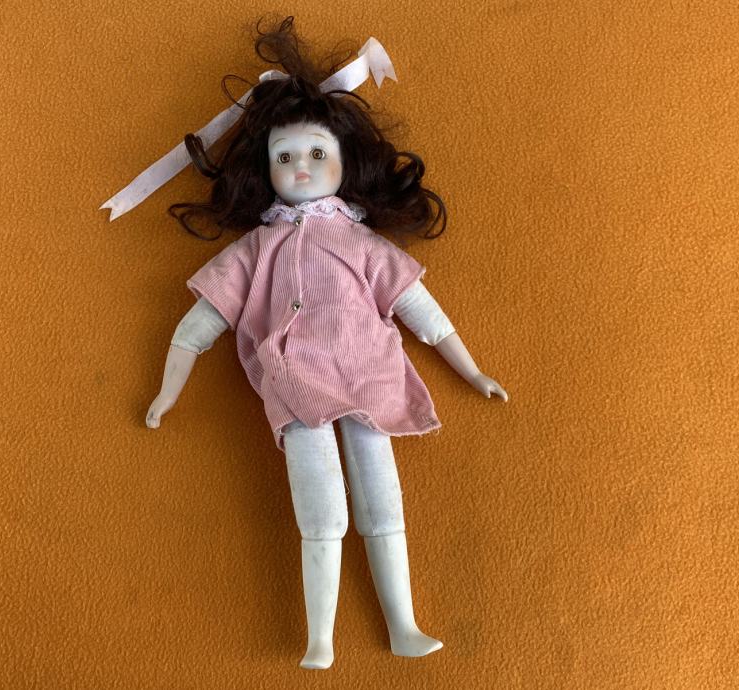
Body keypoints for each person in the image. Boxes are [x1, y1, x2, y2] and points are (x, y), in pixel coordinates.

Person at [145, 17, 508, 670]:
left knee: (381, 501)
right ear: (264, 170)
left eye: (316, 153)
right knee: (320, 511)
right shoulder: (254, 249)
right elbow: (196, 327)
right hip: (293, 383)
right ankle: (320, 636)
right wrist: (167, 391)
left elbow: (422, 312)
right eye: (284, 157)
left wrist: (472, 370)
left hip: (369, 376)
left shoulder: (362, 244)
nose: (301, 167)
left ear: (345, 161)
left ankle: (402, 622)